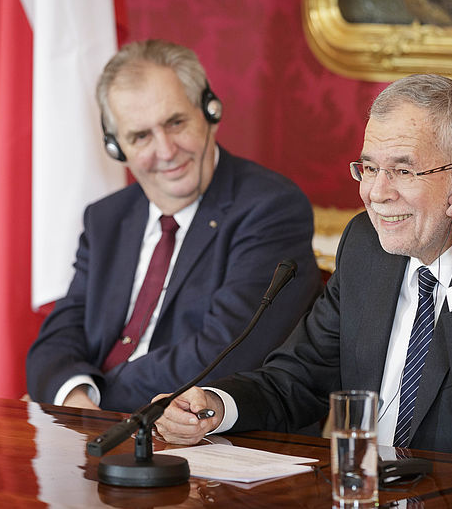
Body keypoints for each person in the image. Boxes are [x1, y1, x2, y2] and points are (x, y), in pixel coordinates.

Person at [154, 74, 452, 470]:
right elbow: (298, 378)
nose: (376, 193)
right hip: (367, 494)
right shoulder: (367, 244)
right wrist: (213, 406)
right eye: (369, 167)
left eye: (403, 170)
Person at [26, 40, 321, 413]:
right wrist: (72, 394)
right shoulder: (107, 218)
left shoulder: (270, 208)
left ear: (209, 111)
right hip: (97, 428)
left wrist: (97, 400)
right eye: (141, 136)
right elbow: (61, 333)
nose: (165, 151)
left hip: (216, 444)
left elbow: (225, 352)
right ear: (118, 149)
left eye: (175, 122)